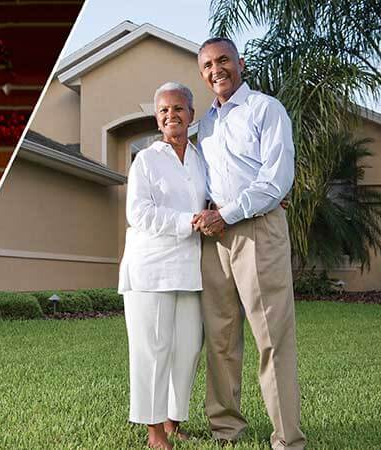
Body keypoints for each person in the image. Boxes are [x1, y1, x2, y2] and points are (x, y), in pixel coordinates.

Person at [194, 37, 305, 449]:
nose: (215, 70)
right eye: (206, 65)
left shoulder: (265, 109)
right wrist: (209, 213)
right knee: (220, 336)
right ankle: (227, 429)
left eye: (222, 60)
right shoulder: (205, 123)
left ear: (239, 63)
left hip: (258, 229)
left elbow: (276, 181)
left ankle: (287, 439)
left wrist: (226, 213)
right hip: (215, 236)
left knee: (272, 338)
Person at [118, 82, 206, 449]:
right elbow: (138, 213)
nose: (172, 115)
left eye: (178, 108)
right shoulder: (146, 159)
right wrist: (189, 221)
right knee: (152, 351)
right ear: (157, 119)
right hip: (150, 269)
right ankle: (155, 432)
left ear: (191, 114)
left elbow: (216, 198)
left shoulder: (201, 159)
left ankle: (174, 421)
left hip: (190, 269)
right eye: (164, 110)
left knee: (187, 348)